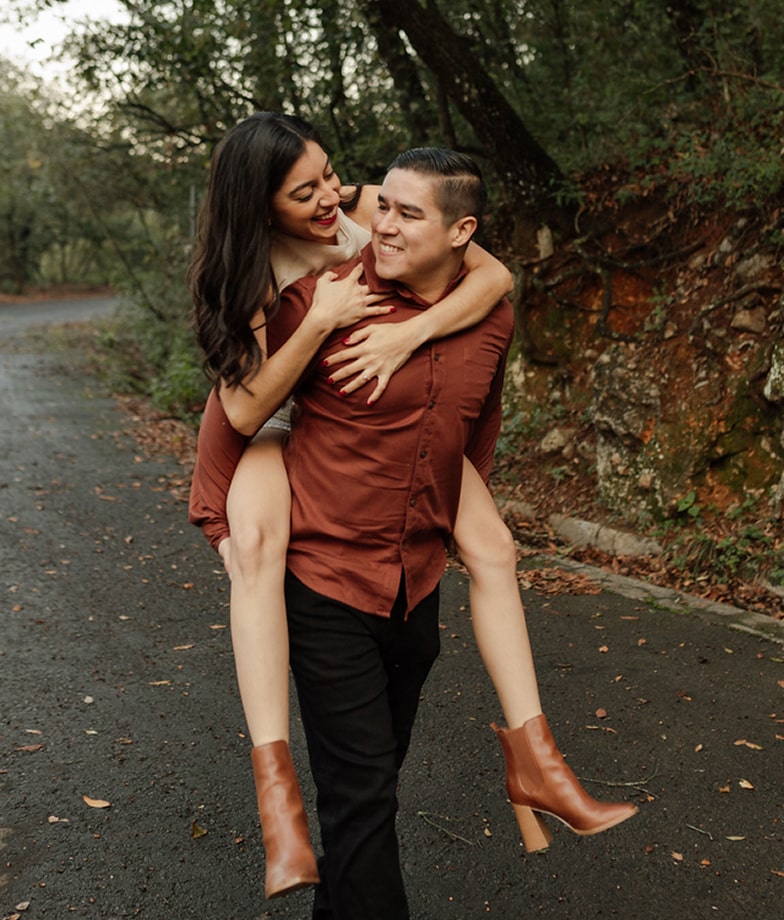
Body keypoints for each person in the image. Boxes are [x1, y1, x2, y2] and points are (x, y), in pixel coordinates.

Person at [188, 115, 637, 904]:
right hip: (268, 412)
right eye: (305, 191)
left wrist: (411, 334)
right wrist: (321, 321)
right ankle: (277, 804)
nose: (332, 197)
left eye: (330, 174)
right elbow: (246, 408)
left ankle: (537, 761)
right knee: (255, 549)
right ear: (262, 207)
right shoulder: (252, 274)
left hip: (371, 421)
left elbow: (490, 275)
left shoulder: (366, 204)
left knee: (495, 548)